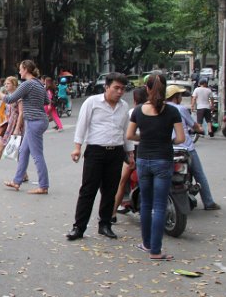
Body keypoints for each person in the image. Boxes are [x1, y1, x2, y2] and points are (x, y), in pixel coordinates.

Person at [66, 72, 132, 241]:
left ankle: (105, 224)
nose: (119, 92)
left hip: (116, 152)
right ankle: (79, 227)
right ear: (107, 87)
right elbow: (82, 125)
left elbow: (125, 132)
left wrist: (130, 153)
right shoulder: (92, 102)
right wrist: (77, 148)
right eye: (116, 88)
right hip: (95, 151)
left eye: (122, 89)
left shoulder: (124, 106)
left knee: (110, 191)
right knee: (88, 190)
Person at [126, 74, 185, 261]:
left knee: (146, 203)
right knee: (159, 206)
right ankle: (156, 251)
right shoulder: (172, 111)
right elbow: (181, 138)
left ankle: (147, 243)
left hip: (143, 159)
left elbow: (130, 135)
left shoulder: (138, 111)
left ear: (147, 89)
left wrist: (144, 138)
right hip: (163, 160)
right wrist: (168, 140)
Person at [0, 59, 50, 194]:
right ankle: (16, 181)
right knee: (23, 152)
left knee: (37, 155)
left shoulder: (27, 84)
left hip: (34, 121)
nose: (19, 71)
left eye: (21, 69)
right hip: (38, 120)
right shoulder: (39, 83)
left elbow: (9, 99)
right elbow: (46, 101)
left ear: (26, 69)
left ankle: (43, 185)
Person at [166, 84, 221, 211]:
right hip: (185, 149)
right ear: (176, 97)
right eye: (179, 95)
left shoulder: (161, 109)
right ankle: (208, 202)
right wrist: (200, 129)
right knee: (199, 174)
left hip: (168, 148)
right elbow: (194, 125)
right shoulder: (180, 109)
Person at [113, 87, 148, 222]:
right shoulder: (155, 110)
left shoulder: (132, 112)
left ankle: (112, 213)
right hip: (152, 150)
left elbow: (127, 135)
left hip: (136, 150)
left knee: (121, 183)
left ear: (134, 99)